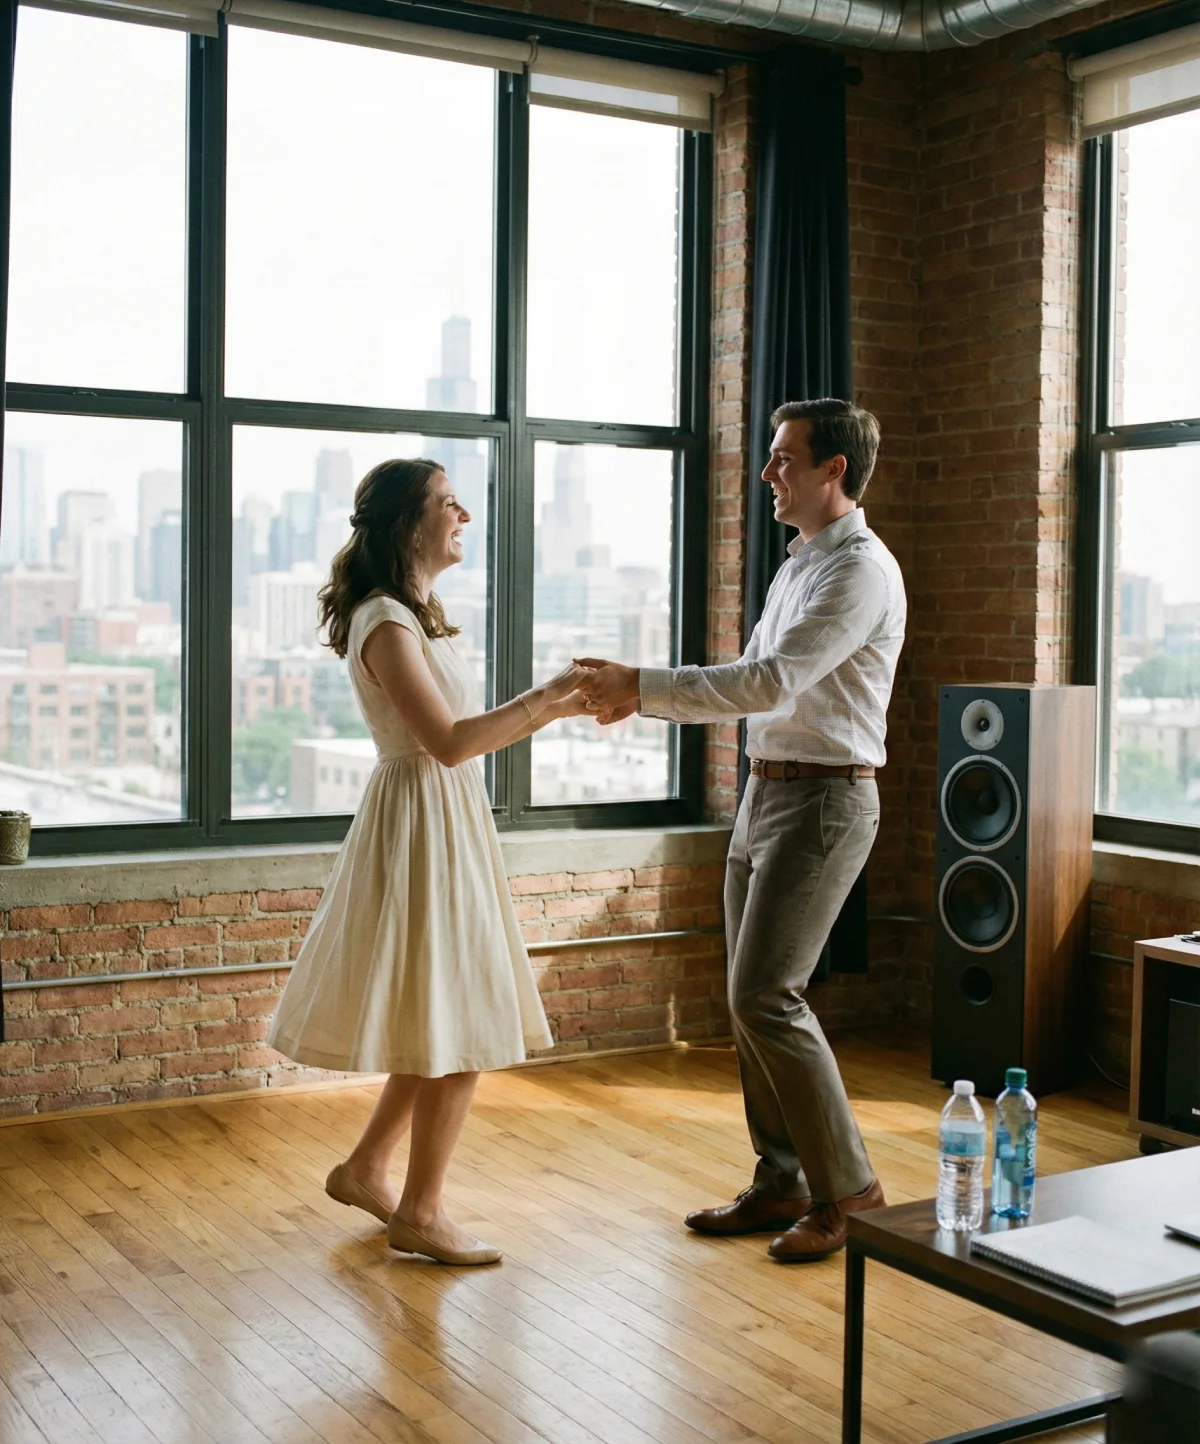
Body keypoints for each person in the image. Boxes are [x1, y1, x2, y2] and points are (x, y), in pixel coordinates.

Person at [578, 398, 906, 1262]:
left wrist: (642, 685)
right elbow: (760, 684)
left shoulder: (860, 572)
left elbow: (769, 682)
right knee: (747, 999)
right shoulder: (800, 565)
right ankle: (783, 1179)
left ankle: (852, 1193)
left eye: (784, 458)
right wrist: (646, 697)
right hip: (766, 792)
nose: (768, 473)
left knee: (768, 995)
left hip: (826, 801)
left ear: (835, 469)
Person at [267, 458, 590, 1267]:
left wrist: (554, 704)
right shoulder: (385, 620)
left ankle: (367, 1170)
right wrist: (547, 698)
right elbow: (446, 743)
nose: (464, 516)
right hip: (423, 822)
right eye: (448, 503)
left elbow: (456, 742)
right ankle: (422, 1211)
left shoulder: (407, 615)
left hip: (440, 817)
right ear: (409, 523)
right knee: (465, 1018)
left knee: (440, 1014)